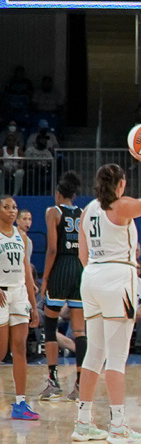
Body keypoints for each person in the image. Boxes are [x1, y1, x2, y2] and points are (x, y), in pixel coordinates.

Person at [75, 156, 141, 444]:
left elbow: (82, 256)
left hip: (91, 278)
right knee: (117, 357)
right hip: (117, 277)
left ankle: (83, 423)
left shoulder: (87, 210)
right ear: (121, 184)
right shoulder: (120, 206)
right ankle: (119, 426)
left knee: (93, 353)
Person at [39, 172, 86, 402]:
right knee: (79, 330)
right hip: (80, 268)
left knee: (49, 323)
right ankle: (79, 385)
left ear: (58, 193)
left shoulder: (53, 211)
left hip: (61, 268)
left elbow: (52, 249)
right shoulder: (83, 212)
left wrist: (46, 278)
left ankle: (52, 381)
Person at [0, 197, 37, 420]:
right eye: (6, 207)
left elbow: (27, 272)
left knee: (20, 348)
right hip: (1, 293)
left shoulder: (20, 236)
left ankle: (21, 403)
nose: (12, 211)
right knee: (2, 351)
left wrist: (33, 304)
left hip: (19, 291)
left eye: (14, 207)